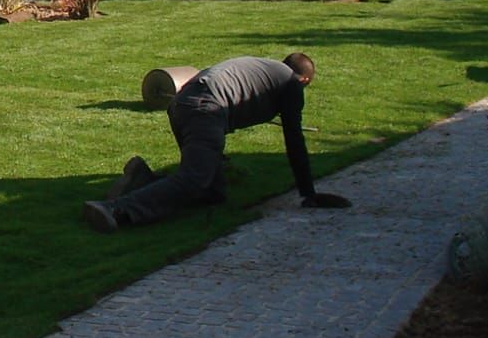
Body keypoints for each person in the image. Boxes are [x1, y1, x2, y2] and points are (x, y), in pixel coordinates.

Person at [83, 53, 349, 233]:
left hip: (183, 102)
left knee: (212, 192)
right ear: (304, 79)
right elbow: (294, 139)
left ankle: (141, 179)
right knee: (194, 180)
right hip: (205, 109)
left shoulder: (267, 69)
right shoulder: (291, 84)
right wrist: (308, 193)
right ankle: (115, 210)